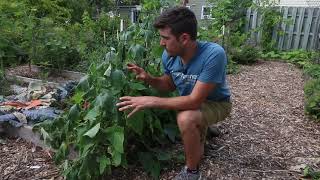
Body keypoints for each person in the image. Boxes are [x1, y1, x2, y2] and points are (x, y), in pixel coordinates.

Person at [116, 6, 232, 180]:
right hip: (193, 103)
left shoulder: (213, 54)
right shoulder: (169, 55)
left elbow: (194, 101)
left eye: (165, 38)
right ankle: (204, 127)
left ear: (184, 38)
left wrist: (150, 101)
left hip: (217, 104)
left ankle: (192, 173)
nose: (161, 43)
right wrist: (149, 79)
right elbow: (169, 85)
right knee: (198, 148)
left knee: (186, 118)